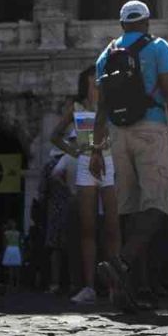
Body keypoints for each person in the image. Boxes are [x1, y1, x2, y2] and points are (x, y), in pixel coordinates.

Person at [90, 0, 168, 312]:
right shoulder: (158, 46)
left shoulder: (105, 54)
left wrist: (95, 150)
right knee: (157, 204)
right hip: (150, 129)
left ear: (122, 24)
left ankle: (133, 290)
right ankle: (121, 263)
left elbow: (101, 108)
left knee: (129, 210)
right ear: (147, 22)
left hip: (117, 134)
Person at [49, 66, 121, 306]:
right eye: (93, 80)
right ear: (87, 81)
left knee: (112, 227)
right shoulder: (77, 107)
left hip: (107, 161)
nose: (97, 83)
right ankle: (89, 286)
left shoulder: (110, 106)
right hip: (84, 163)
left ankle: (114, 286)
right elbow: (55, 135)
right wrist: (75, 152)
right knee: (87, 228)